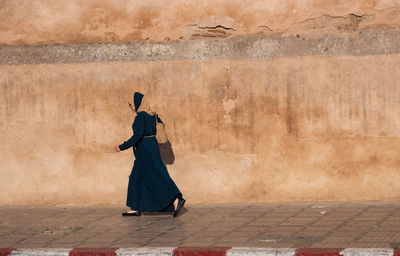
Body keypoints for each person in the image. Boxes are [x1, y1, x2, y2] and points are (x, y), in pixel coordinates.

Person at [115, 92, 185, 217]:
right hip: (150, 147)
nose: (130, 107)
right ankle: (134, 208)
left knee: (157, 176)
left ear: (138, 104)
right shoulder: (152, 114)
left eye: (131, 104)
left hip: (144, 150)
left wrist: (122, 146)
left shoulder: (141, 116)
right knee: (136, 177)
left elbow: (137, 135)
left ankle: (176, 199)